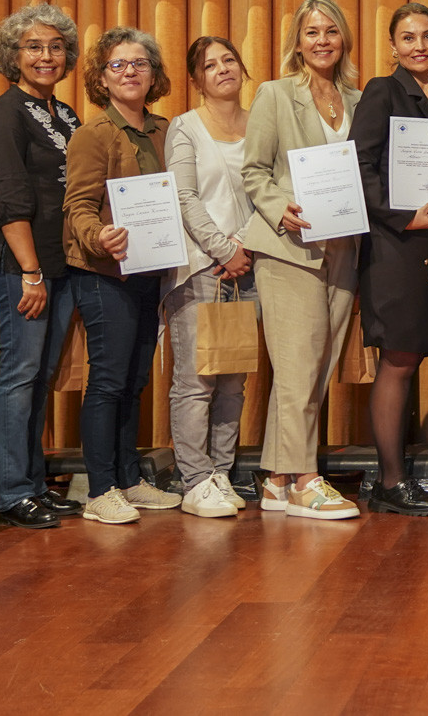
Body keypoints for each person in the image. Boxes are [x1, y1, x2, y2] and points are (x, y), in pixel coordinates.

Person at [241, 0, 363, 521]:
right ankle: (305, 479)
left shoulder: (358, 100)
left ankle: (276, 480)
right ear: (298, 41)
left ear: (344, 39)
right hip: (289, 248)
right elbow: (254, 172)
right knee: (297, 366)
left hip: (344, 247)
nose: (322, 41)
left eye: (330, 31)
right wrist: (278, 209)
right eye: (312, 32)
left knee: (315, 366)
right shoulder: (273, 94)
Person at [63, 28, 181, 525]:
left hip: (150, 270)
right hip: (103, 271)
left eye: (140, 63)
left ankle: (130, 480)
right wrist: (99, 236)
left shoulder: (165, 129)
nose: (130, 71)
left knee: (134, 380)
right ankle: (100, 488)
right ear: (102, 78)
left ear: (154, 74)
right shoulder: (94, 133)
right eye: (118, 64)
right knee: (108, 380)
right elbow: (78, 205)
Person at [351, 3, 428, 517]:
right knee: (397, 359)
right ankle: (391, 483)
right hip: (395, 245)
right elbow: (361, 165)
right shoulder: (383, 90)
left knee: (411, 357)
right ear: (392, 46)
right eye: (408, 37)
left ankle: (395, 478)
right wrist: (402, 217)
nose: (419, 45)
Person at [0, 3, 82, 529]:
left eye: (55, 46)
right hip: (21, 266)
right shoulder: (5, 113)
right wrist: (30, 271)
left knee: (41, 376)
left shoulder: (66, 114)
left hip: (61, 263)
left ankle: (37, 483)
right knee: (19, 376)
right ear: (12, 56)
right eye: (33, 46)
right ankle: (13, 492)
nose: (45, 56)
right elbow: (8, 198)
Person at [162, 36, 256, 519]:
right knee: (196, 382)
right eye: (209, 65)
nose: (222, 69)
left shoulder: (260, 121)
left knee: (233, 379)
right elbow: (183, 197)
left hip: (251, 265)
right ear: (197, 80)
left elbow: (271, 187)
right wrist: (223, 249)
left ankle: (222, 472)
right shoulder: (185, 128)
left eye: (229, 60)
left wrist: (248, 248)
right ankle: (194, 478)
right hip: (202, 267)